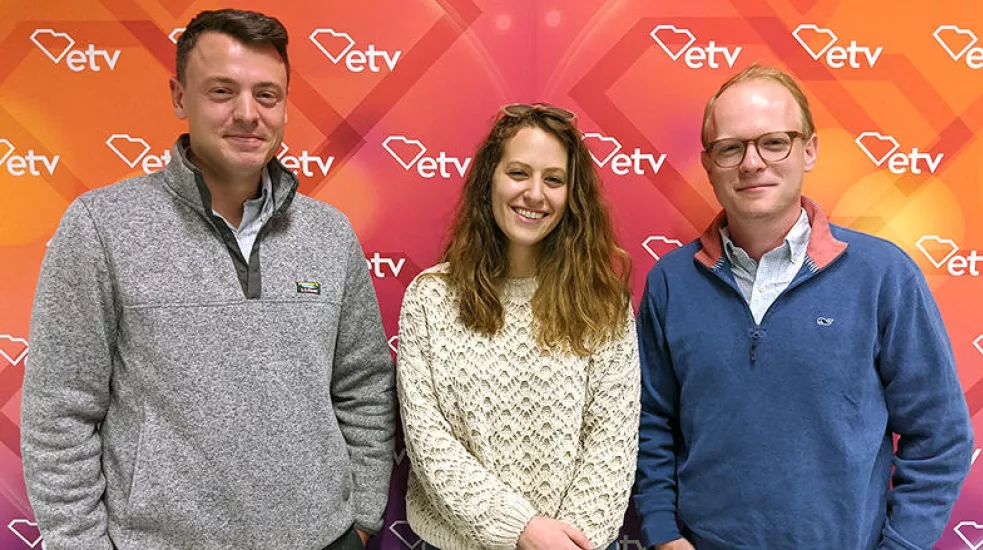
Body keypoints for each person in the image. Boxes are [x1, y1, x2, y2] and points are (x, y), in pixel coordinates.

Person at [21, 9, 395, 550]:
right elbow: (59, 413)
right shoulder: (103, 226)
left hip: (324, 539)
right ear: (179, 97)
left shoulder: (328, 234)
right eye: (222, 91)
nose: (248, 114)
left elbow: (363, 385)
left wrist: (360, 518)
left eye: (267, 95)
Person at [634, 64, 974, 550]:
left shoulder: (882, 276)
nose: (752, 163)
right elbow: (650, 423)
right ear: (708, 163)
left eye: (774, 142)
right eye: (731, 148)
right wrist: (664, 534)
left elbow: (940, 438)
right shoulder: (670, 283)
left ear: (809, 149)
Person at [396, 103, 640, 550]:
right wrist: (522, 530)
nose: (534, 193)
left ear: (573, 196)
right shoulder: (430, 298)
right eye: (518, 173)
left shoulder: (603, 305)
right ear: (490, 178)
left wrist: (567, 543)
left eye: (553, 179)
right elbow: (428, 441)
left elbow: (612, 442)